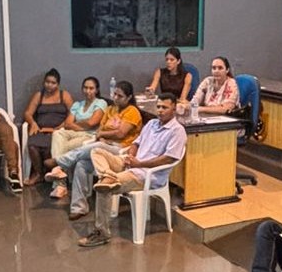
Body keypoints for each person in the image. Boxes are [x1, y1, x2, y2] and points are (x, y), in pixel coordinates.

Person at [77, 92, 187, 248]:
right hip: (131, 164)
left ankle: (102, 234)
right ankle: (108, 176)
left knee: (103, 189)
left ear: (174, 108)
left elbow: (169, 159)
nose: (160, 110)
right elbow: (135, 143)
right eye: (158, 107)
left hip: (146, 175)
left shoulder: (177, 131)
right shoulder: (152, 124)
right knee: (96, 151)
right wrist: (130, 156)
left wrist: (139, 164)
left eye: (165, 107)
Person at [47, 81, 144, 221]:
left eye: (120, 96)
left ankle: (60, 163)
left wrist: (103, 135)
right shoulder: (111, 109)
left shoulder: (132, 112)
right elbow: (100, 130)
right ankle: (78, 208)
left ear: (129, 98)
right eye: (114, 94)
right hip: (104, 145)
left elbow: (121, 134)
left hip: (120, 150)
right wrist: (103, 135)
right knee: (81, 164)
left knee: (95, 147)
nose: (116, 98)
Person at [47, 77, 108, 200]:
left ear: (97, 90)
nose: (88, 91)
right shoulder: (77, 104)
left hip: (89, 136)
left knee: (64, 147)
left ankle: (59, 184)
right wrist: (81, 126)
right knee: (57, 134)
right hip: (76, 132)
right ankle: (60, 174)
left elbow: (92, 123)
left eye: (91, 88)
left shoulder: (100, 103)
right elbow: (68, 123)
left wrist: (77, 124)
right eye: (85, 88)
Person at [21, 68, 74, 185]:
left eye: (53, 83)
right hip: (40, 129)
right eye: (47, 82)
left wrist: (61, 126)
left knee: (49, 147)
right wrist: (33, 123)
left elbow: (73, 113)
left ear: (58, 84)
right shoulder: (39, 96)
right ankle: (38, 174)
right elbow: (27, 113)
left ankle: (52, 173)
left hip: (59, 130)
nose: (49, 85)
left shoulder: (64, 95)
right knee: (33, 145)